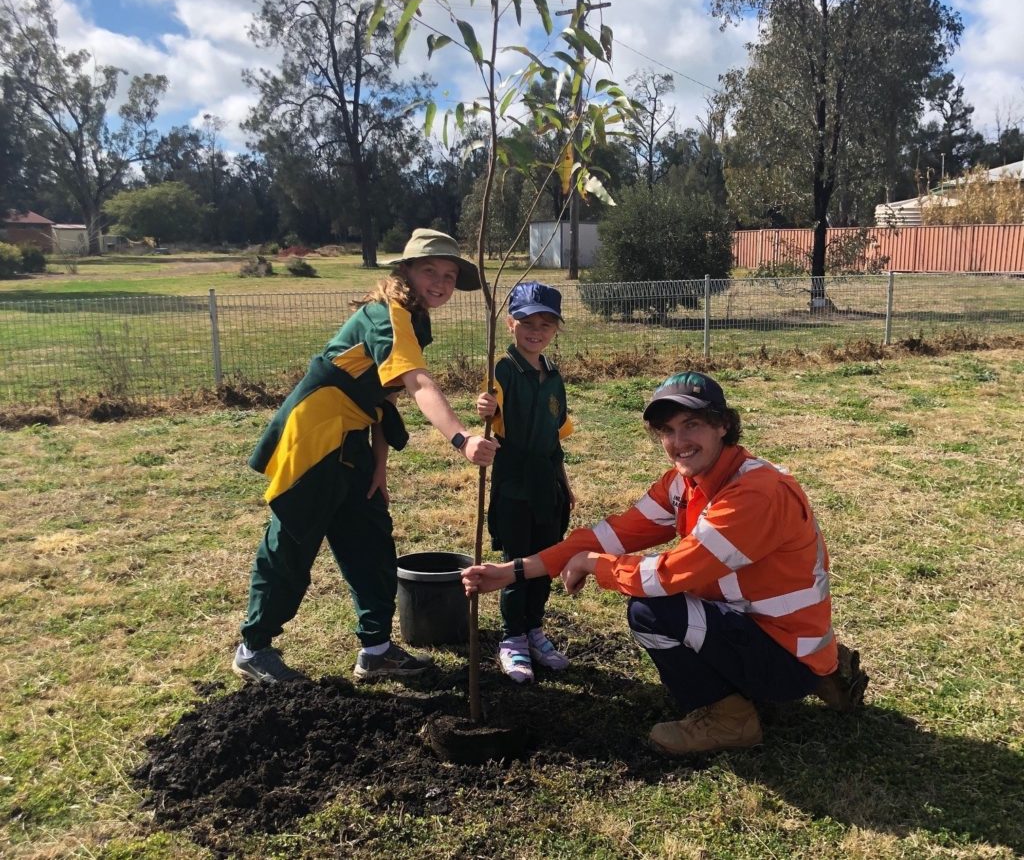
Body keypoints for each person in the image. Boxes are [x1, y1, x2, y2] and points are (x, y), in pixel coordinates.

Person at [463, 371, 867, 755]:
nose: (679, 441)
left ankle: (732, 720)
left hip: (784, 652)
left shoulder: (754, 494)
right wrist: (513, 571)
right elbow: (609, 536)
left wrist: (594, 565)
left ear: (723, 425)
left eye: (692, 425)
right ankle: (826, 672)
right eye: (668, 431)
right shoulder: (685, 483)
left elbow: (667, 575)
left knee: (651, 610)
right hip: (778, 633)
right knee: (665, 601)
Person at [233, 229, 498, 685]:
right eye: (429, 270)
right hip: (315, 438)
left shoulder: (413, 320)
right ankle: (253, 647)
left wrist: (379, 464)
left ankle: (376, 650)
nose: (440, 282)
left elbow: (384, 397)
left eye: (450, 275)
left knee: (371, 541)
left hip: (354, 440)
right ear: (405, 272)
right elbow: (417, 384)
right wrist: (460, 438)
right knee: (293, 542)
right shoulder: (388, 315)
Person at [475, 281, 575, 684]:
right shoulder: (502, 369)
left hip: (546, 481)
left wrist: (563, 483)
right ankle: (511, 638)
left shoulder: (553, 376)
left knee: (545, 560)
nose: (536, 331)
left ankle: (535, 629)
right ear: (510, 324)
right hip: (515, 481)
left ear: (555, 330)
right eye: (528, 322)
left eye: (546, 324)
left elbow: (554, 437)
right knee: (517, 561)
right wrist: (486, 406)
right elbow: (489, 405)